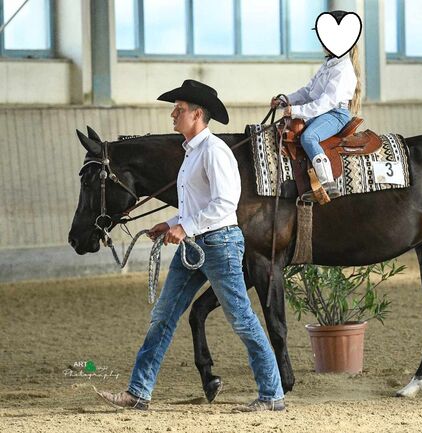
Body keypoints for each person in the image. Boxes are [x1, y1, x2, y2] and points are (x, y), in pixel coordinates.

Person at [96, 79, 285, 412]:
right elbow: (195, 206)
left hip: (220, 243)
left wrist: (185, 227)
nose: (173, 115)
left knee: (241, 319)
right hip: (197, 244)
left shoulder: (213, 151)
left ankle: (272, 394)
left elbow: (225, 202)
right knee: (164, 316)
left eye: (179, 110)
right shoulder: (193, 153)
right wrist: (170, 224)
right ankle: (139, 392)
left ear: (198, 114)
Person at [271, 10, 362, 201]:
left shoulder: (343, 70)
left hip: (335, 114)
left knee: (309, 137)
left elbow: (325, 102)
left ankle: (328, 185)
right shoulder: (328, 66)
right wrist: (285, 101)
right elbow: (307, 92)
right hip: (322, 111)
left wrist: (296, 111)